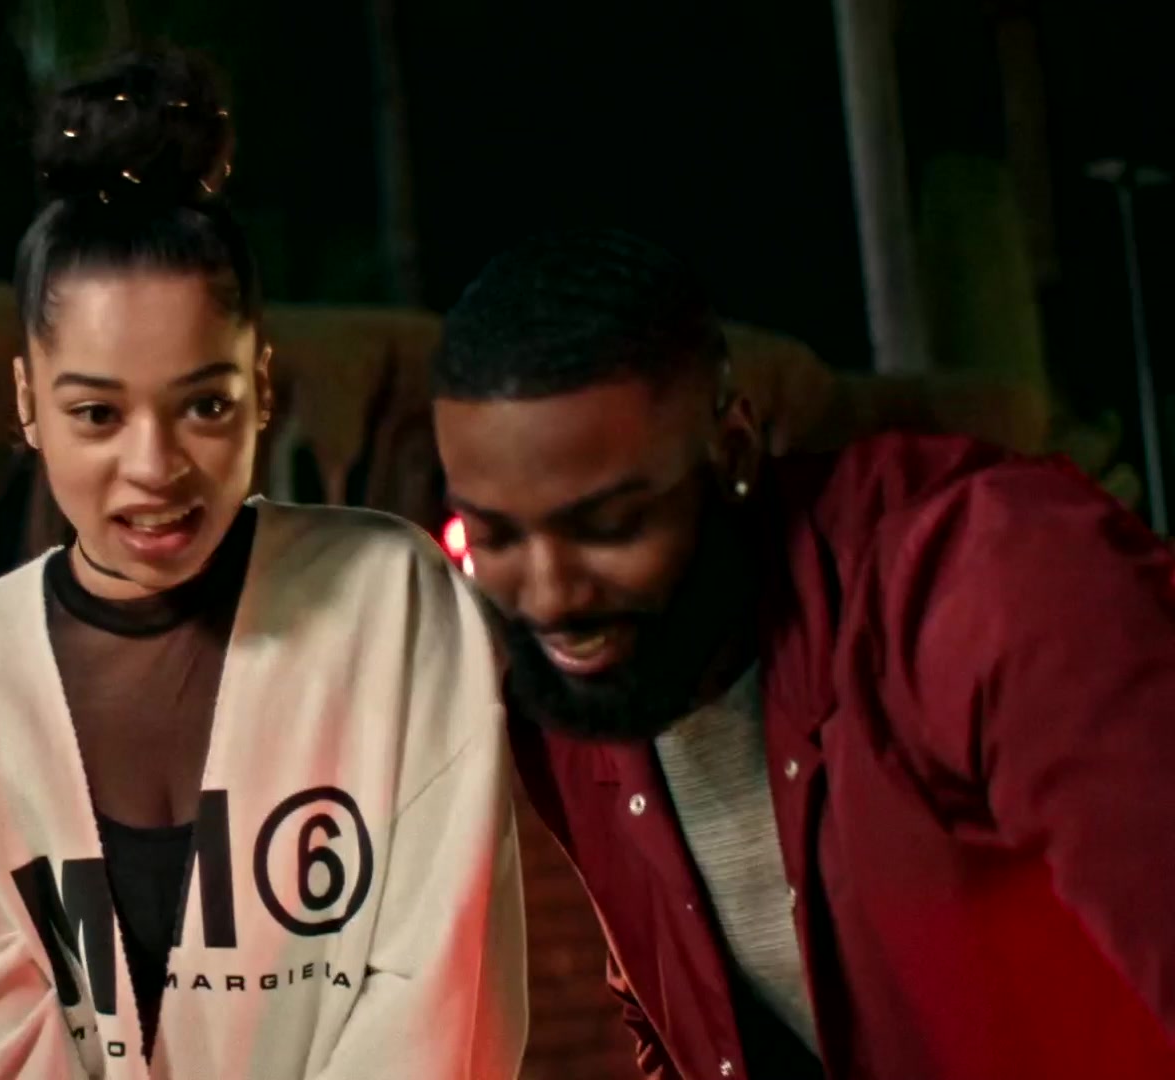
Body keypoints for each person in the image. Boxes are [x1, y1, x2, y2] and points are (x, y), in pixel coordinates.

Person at [0, 49, 527, 1080]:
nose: (155, 467)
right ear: (27, 401)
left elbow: (440, 1005)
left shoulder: (390, 604)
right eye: (96, 413)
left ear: (262, 384)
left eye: (205, 404)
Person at [430, 227, 1175, 1080]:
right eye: (495, 537)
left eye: (610, 526)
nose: (552, 595)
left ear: (733, 451)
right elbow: (670, 1014)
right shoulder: (577, 696)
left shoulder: (990, 585)